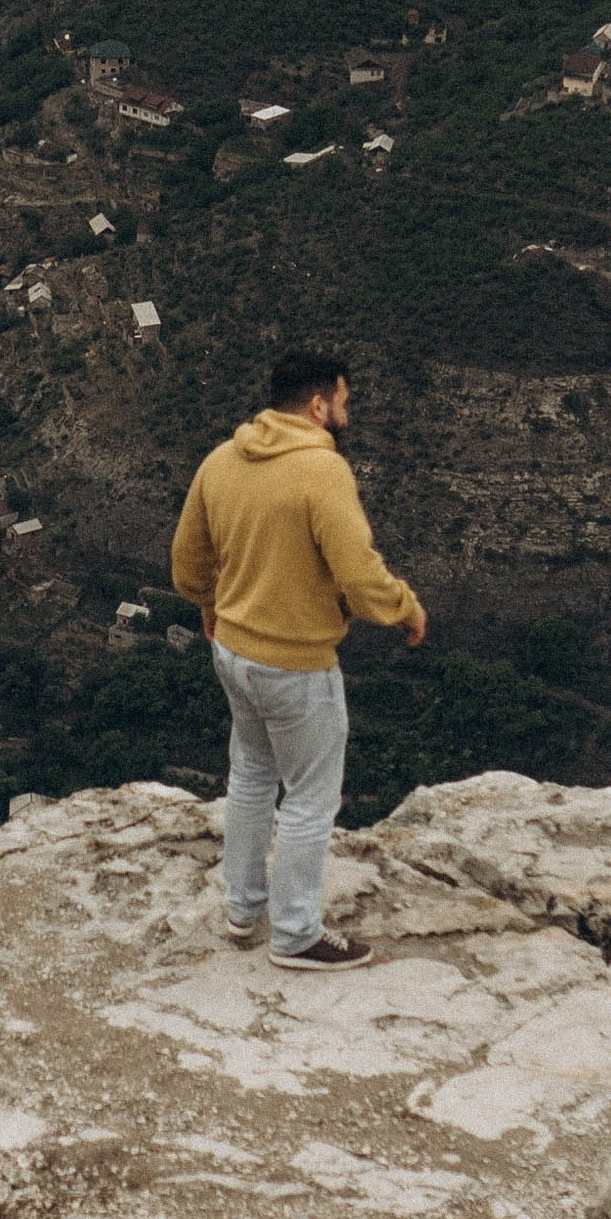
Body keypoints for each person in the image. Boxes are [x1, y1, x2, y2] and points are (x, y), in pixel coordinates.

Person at [169, 347, 426, 969]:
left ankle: (241, 910)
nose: (347, 413)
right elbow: (358, 573)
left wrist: (210, 603)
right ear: (317, 405)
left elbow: (186, 562)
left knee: (251, 777)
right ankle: (295, 934)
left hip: (233, 652)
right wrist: (403, 607)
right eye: (343, 401)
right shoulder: (321, 471)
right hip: (296, 665)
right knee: (311, 800)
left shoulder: (221, 460)